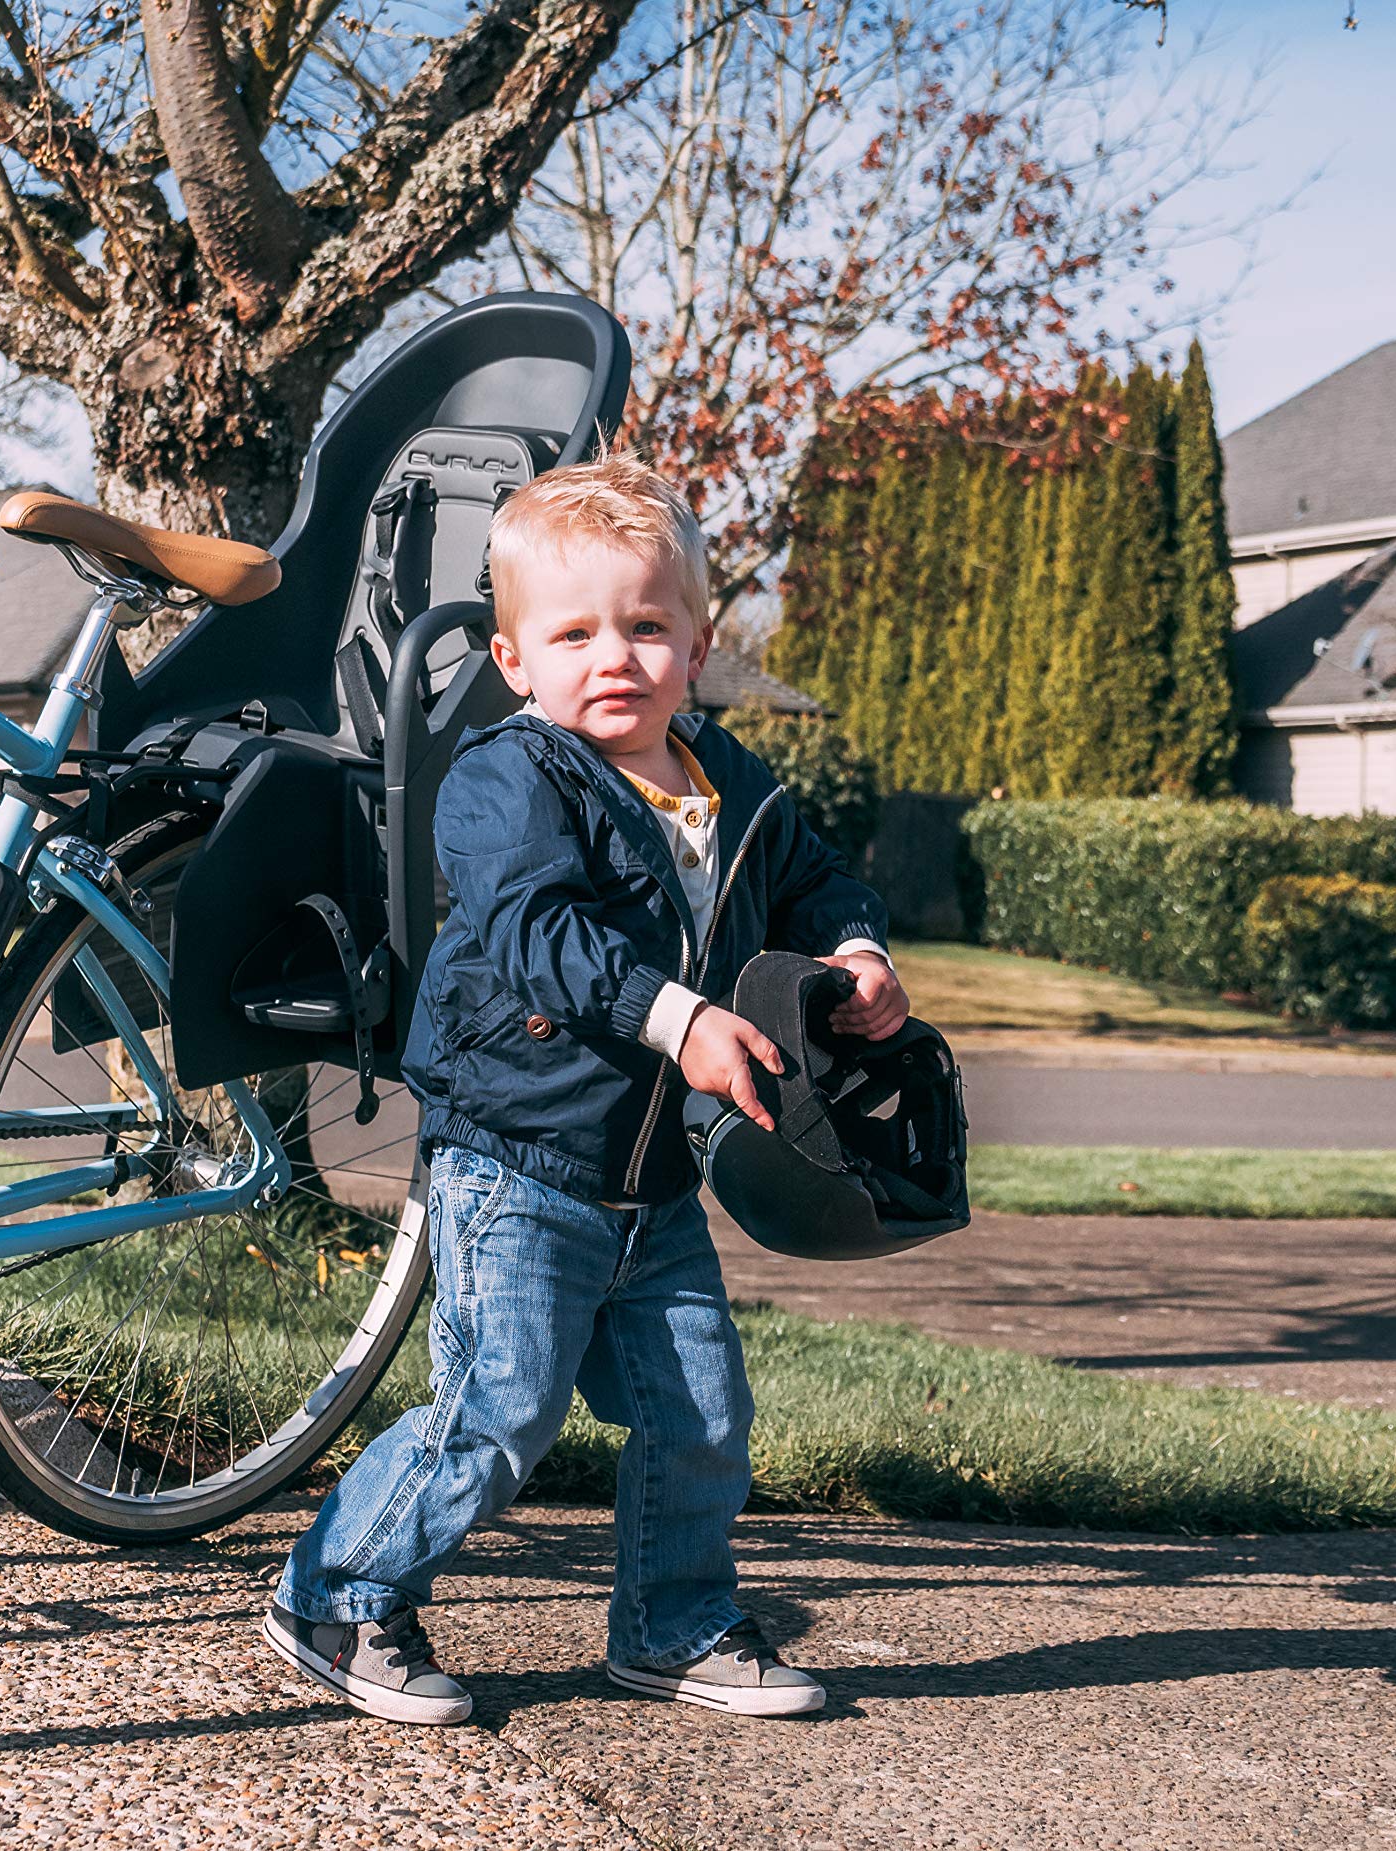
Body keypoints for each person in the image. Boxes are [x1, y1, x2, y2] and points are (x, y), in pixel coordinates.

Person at [262, 455, 909, 1726]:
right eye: (573, 633)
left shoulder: (731, 784)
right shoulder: (512, 781)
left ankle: (672, 1628)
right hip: (518, 1159)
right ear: (515, 661)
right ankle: (332, 1595)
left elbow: (815, 879)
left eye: (646, 626)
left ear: (698, 642)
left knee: (700, 1411)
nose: (613, 657)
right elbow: (536, 934)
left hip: (653, 1179)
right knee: (498, 1408)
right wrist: (681, 1022)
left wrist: (859, 951)